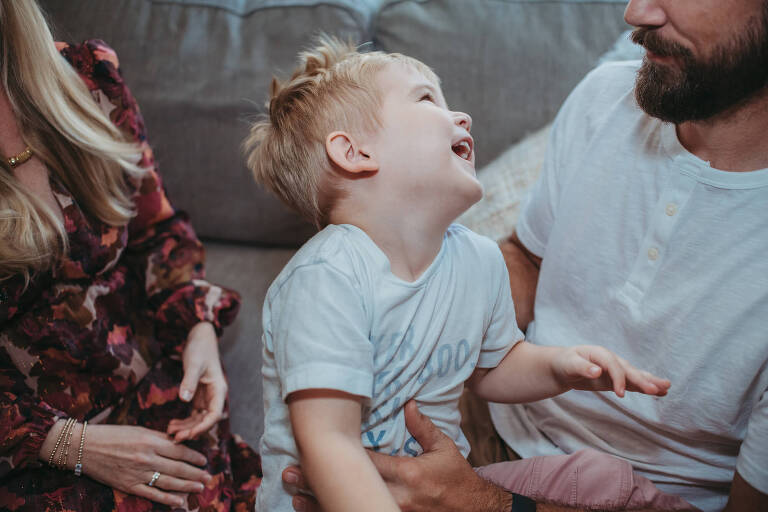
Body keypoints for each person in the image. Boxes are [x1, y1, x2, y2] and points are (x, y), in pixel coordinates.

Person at [281, 0, 768, 511]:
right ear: (354, 153)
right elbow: (524, 270)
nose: (634, 13)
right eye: (427, 99)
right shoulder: (605, 96)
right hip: (478, 432)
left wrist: (481, 498)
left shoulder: (469, 255)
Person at [0, 1, 261, 510]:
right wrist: (68, 444)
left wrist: (197, 327)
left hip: (152, 393)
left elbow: (155, 229)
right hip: (25, 447)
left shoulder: (88, 79)